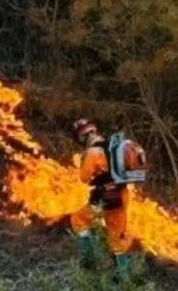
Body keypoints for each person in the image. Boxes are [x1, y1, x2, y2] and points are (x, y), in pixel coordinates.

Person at [69, 118, 148, 279]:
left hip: (103, 197)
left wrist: (83, 161)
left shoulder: (92, 153)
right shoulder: (113, 147)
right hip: (122, 194)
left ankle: (89, 263)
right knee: (117, 234)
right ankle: (123, 276)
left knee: (79, 219)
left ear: (81, 137)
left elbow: (84, 178)